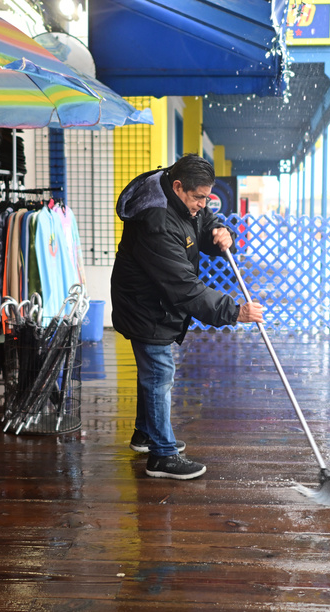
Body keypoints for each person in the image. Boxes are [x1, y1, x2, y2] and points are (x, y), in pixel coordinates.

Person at [111, 154, 264, 480]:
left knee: (152, 373)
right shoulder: (156, 221)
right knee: (159, 374)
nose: (201, 203)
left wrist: (220, 231)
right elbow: (184, 287)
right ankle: (162, 456)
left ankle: (145, 434)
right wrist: (235, 311)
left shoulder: (179, 197)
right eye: (197, 197)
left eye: (205, 198)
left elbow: (201, 220)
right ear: (178, 187)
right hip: (144, 305)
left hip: (155, 299)